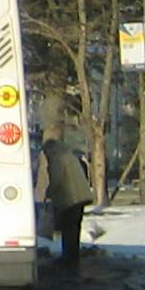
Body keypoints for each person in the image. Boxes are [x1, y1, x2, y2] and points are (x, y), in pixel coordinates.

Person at [41, 113, 93, 270]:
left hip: (71, 198)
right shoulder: (67, 154)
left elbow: (57, 178)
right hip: (80, 196)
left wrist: (49, 193)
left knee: (68, 227)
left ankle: (69, 258)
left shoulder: (57, 157)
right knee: (74, 227)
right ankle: (72, 256)